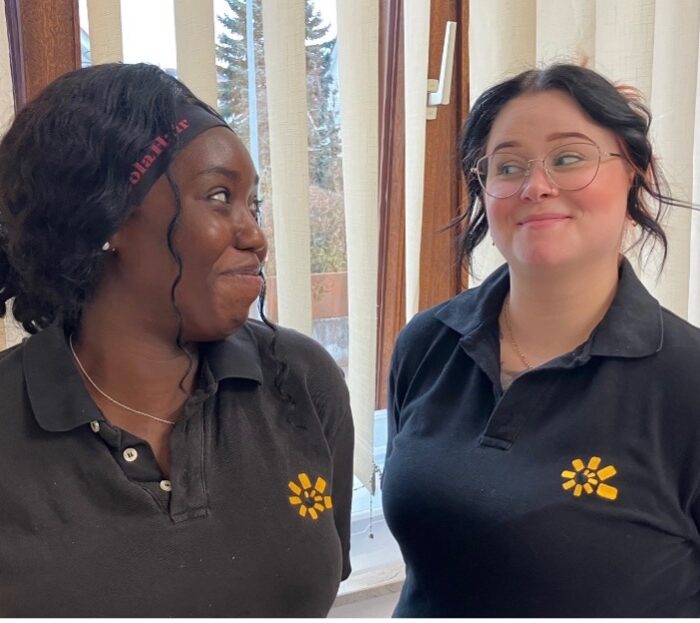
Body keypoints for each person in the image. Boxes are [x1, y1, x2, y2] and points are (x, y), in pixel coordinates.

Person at [0, 62, 353, 617]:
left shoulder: (301, 380)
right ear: (108, 219)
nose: (255, 235)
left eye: (253, 204)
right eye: (219, 196)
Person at [381, 63, 700, 617]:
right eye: (508, 166)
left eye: (569, 157)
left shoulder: (688, 381)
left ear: (635, 172)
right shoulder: (427, 343)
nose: (536, 187)